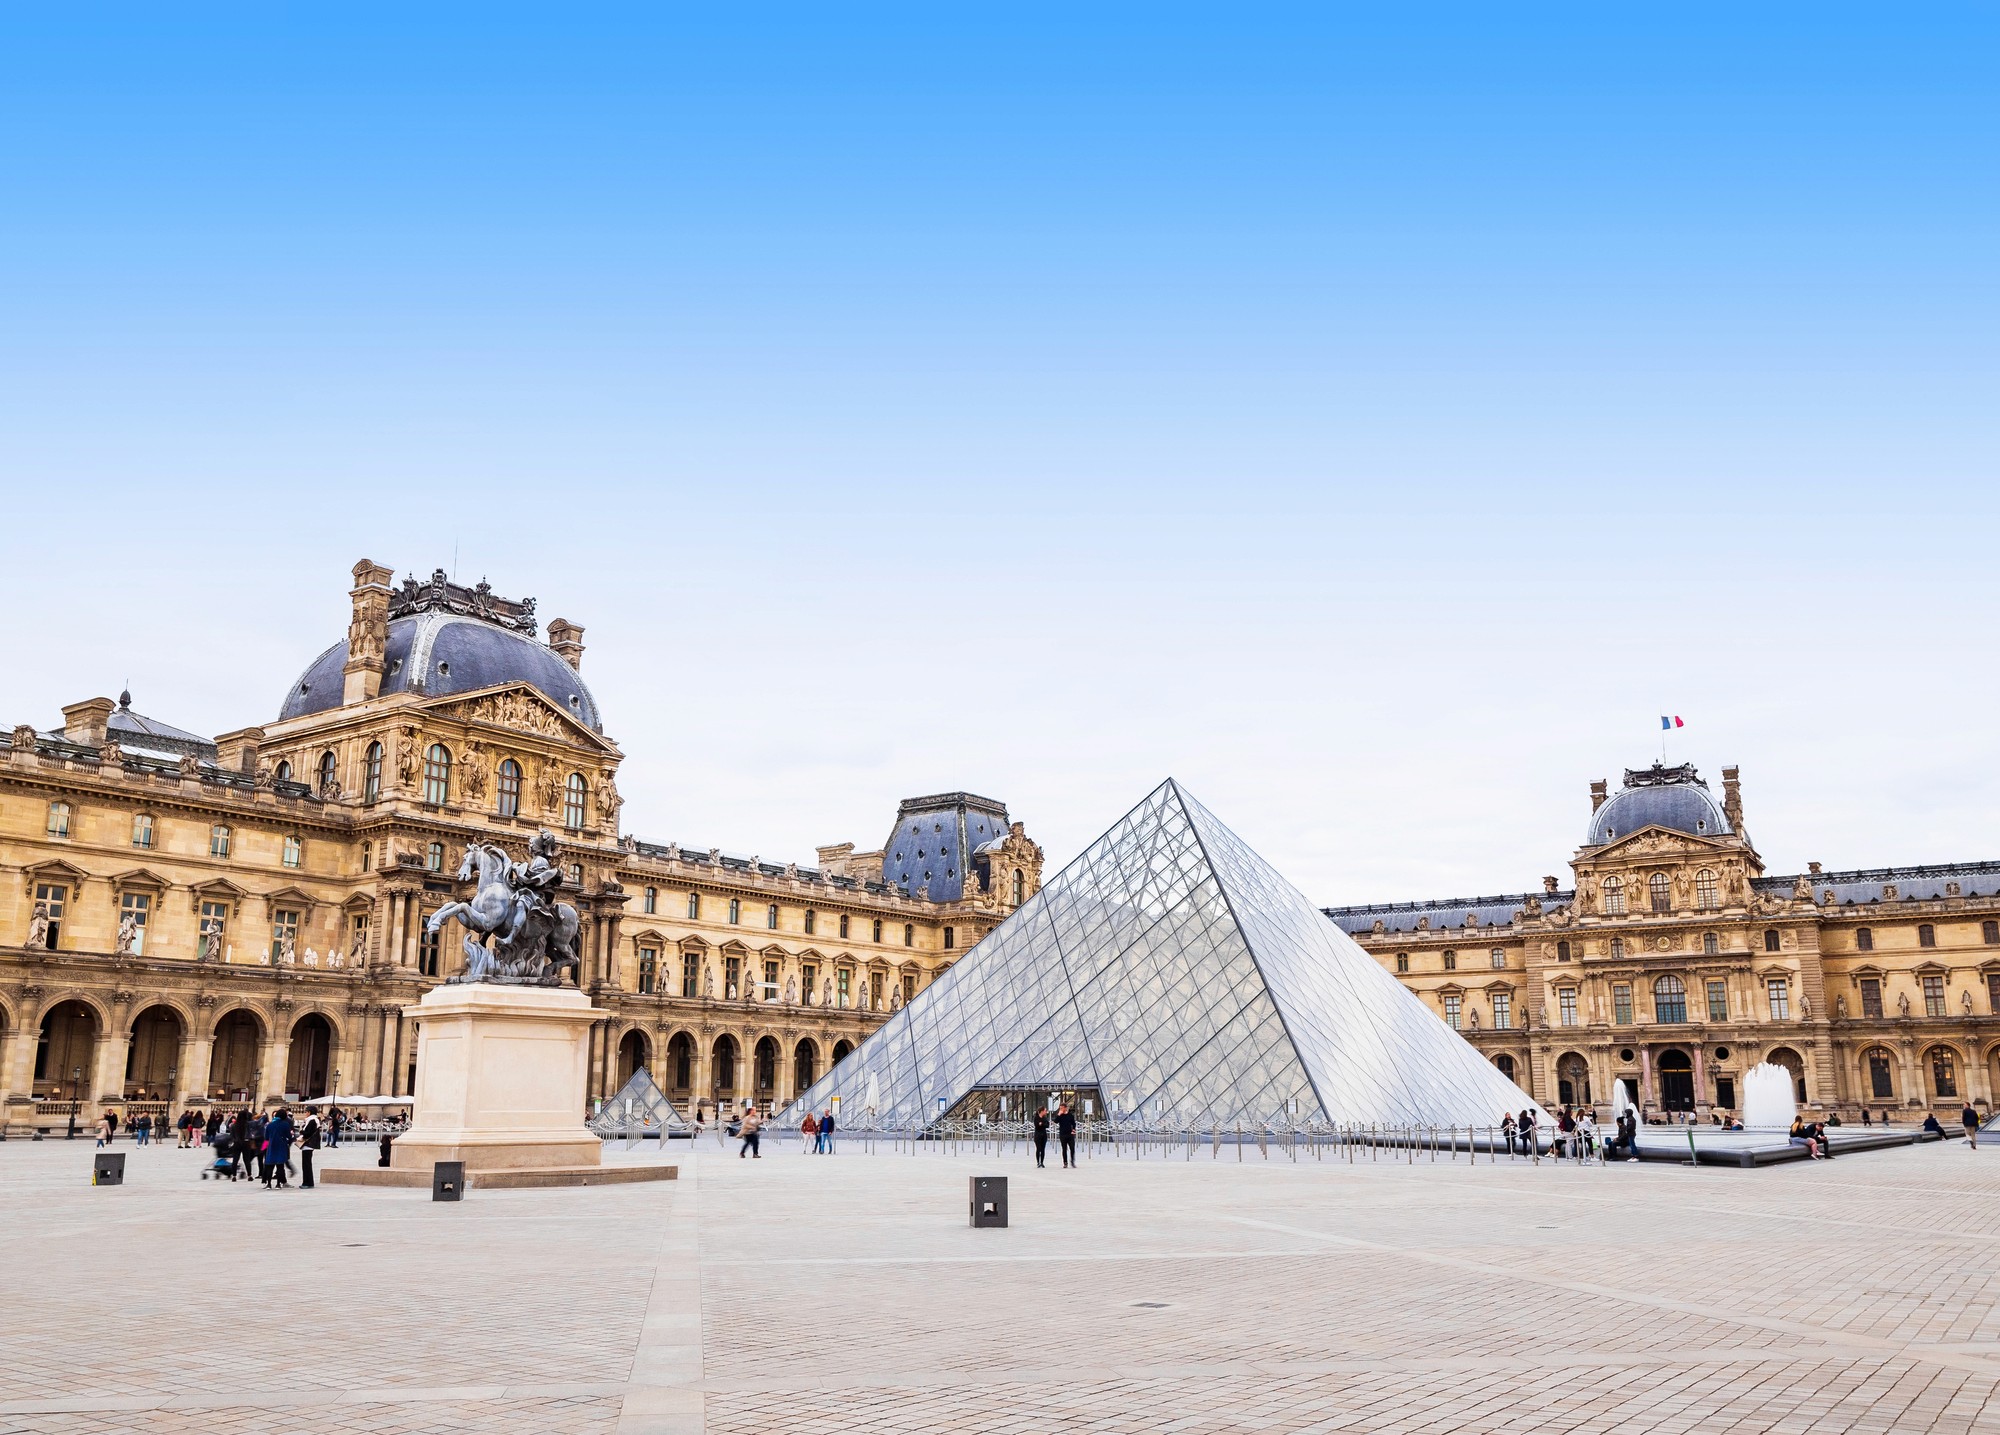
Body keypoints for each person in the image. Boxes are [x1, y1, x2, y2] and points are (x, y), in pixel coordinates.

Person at [263, 1107, 295, 1188]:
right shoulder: (285, 1124)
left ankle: (269, 1184)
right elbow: (289, 1136)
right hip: (281, 1145)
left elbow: (266, 1137)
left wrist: (263, 1148)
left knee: (270, 1165)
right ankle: (278, 1184)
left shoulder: (270, 1125)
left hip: (271, 1146)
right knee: (280, 1166)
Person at [299, 1115, 321, 1189]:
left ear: (309, 1112)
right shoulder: (314, 1120)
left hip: (308, 1144)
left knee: (306, 1165)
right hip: (310, 1145)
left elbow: (308, 1132)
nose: (305, 1113)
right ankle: (309, 1182)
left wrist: (301, 1131)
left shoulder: (311, 1121)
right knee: (307, 1164)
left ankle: (307, 1182)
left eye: (306, 1111)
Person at [1056, 1101, 1077, 1168]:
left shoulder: (1070, 1115)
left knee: (1072, 1148)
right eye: (1060, 1108)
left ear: (1065, 1108)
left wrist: (1073, 1129)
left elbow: (1073, 1123)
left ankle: (1072, 1161)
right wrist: (1059, 1114)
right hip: (1062, 1134)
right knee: (1064, 1149)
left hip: (1070, 1134)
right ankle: (1065, 1162)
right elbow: (1055, 1121)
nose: (1061, 1109)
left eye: (1062, 1108)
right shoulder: (1060, 1115)